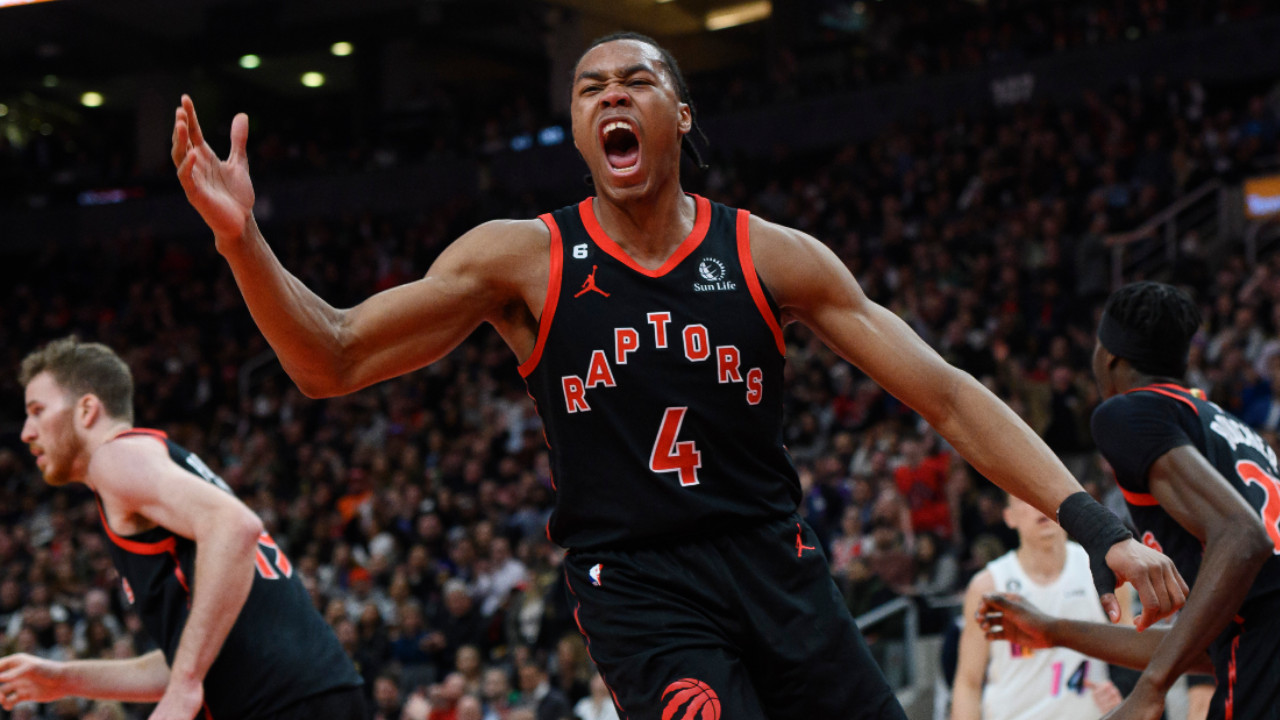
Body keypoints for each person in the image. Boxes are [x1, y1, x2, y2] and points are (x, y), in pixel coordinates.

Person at [171, 31, 1186, 719]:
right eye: (590, 88)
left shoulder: (768, 255)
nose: (611, 95)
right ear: (579, 131)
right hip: (637, 583)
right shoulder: (522, 260)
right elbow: (331, 357)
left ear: (681, 117)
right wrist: (241, 242)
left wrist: (1100, 528)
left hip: (774, 561)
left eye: (637, 81)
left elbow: (946, 394)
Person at [2, 337, 365, 719]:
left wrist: (184, 685)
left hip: (283, 702)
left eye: (37, 411)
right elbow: (187, 659)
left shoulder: (115, 457)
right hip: (312, 694)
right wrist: (62, 679)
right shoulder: (150, 472)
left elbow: (234, 525)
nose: (26, 432)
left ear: (87, 409)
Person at [981, 282, 1280, 720]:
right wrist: (1054, 630)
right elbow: (1201, 645)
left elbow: (1243, 537)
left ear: (1108, 357)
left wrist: (1151, 688)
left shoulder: (1129, 412)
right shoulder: (1236, 432)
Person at [952, 493, 1121, 720]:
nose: (1039, 504)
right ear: (1009, 517)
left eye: (1043, 494)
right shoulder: (988, 585)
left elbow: (1133, 657)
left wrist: (1125, 697)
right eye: (1025, 498)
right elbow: (968, 682)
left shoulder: (1103, 569)